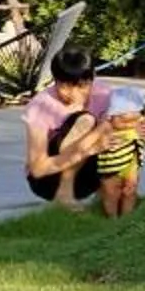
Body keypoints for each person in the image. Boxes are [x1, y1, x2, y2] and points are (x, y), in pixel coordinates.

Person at [22, 47, 116, 208]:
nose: (73, 93)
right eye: (65, 86)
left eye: (81, 86)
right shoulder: (41, 106)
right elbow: (37, 169)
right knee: (85, 121)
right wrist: (92, 149)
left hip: (89, 175)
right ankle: (64, 194)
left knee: (141, 118)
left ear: (92, 78)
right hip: (49, 180)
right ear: (55, 80)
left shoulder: (103, 93)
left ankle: (113, 188)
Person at [91, 83, 145, 218]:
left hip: (131, 167)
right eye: (123, 121)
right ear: (111, 116)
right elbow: (91, 139)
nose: (129, 125)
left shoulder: (140, 126)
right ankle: (112, 217)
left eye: (133, 120)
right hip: (110, 168)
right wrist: (98, 143)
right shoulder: (106, 126)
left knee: (129, 192)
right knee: (111, 193)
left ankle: (127, 216)